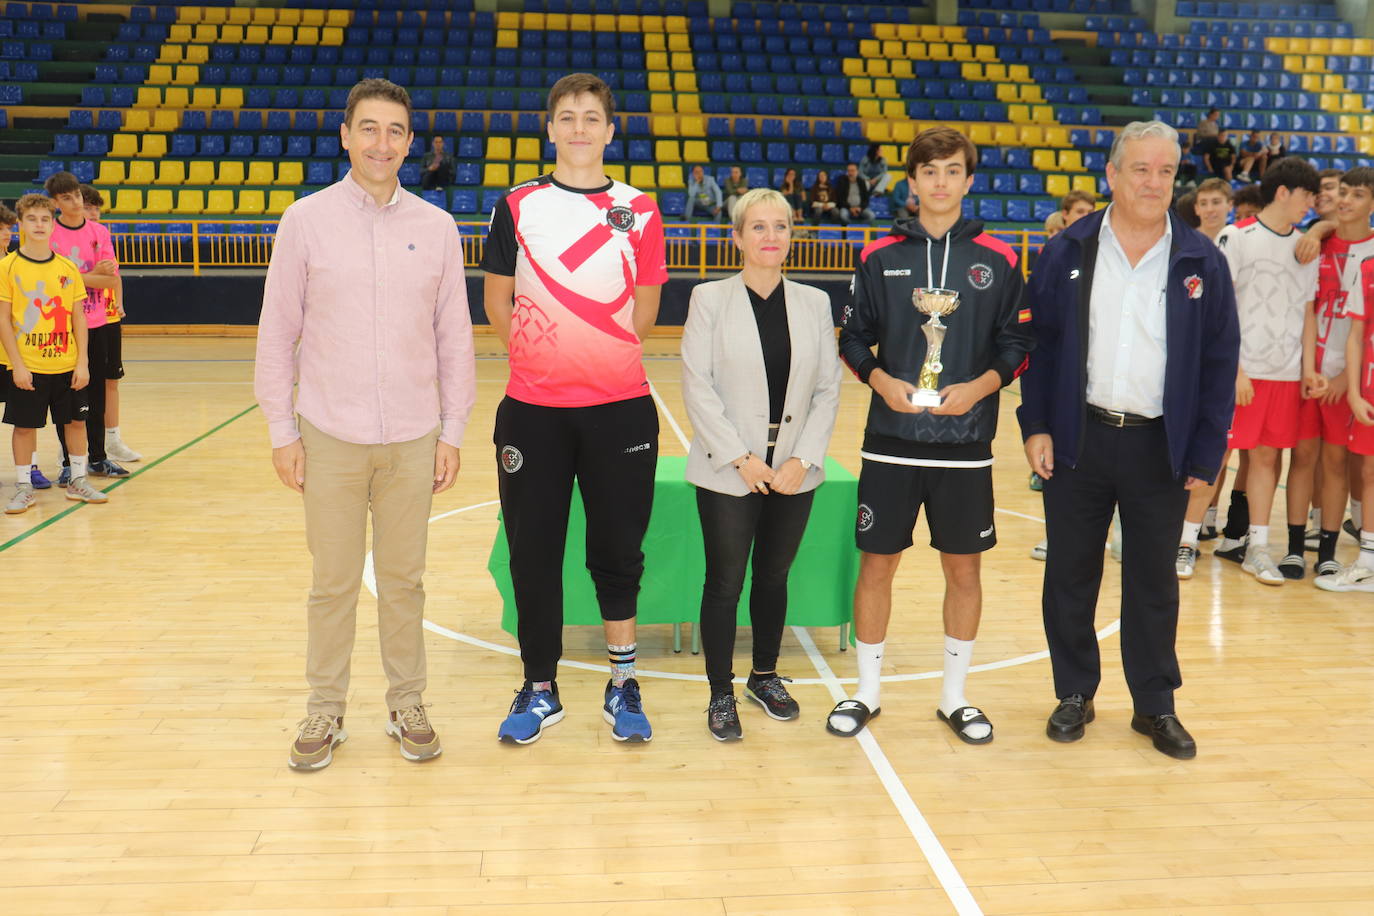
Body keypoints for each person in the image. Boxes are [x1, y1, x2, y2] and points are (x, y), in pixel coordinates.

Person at [255, 78, 477, 771]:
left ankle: (407, 702)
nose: (383, 143)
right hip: (329, 436)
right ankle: (325, 710)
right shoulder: (304, 222)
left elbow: (455, 339)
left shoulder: (437, 228)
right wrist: (282, 433)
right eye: (370, 129)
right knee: (333, 582)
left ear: (411, 144)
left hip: (414, 438)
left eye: (396, 131)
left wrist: (452, 430)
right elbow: (276, 334)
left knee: (406, 581)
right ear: (346, 135)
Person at [1019, 121, 1239, 760]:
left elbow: (1221, 362)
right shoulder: (1067, 252)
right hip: (1078, 439)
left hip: (1159, 448)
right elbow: (1039, 346)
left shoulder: (1201, 259)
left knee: (1153, 581)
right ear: (1111, 175)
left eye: (1165, 171)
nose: (1153, 182)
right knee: (1069, 574)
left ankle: (1154, 703)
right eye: (1140, 169)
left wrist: (1205, 452)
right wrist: (1036, 425)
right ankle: (1074, 692)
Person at [828, 126, 1033, 743]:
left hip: (966, 443)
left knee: (964, 572)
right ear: (912, 181)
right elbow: (851, 337)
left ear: (968, 181)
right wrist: (881, 379)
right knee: (876, 566)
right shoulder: (878, 255)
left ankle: (954, 696)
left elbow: (1018, 344)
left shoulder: (1000, 259)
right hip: (889, 437)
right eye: (929, 171)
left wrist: (979, 387)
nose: (940, 182)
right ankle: (866, 691)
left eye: (952, 171)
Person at [482, 73, 668, 746]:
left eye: (593, 117)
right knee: (534, 552)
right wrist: (537, 358)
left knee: (618, 553)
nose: (581, 128)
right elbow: (497, 299)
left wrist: (598, 358)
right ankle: (540, 686)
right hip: (533, 412)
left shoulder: (639, 209)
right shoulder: (519, 204)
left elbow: (645, 309)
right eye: (568, 117)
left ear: (610, 131)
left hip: (620, 410)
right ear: (551, 128)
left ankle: (622, 684)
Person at [681, 187, 842, 741]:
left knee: (773, 576)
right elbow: (697, 387)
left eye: (781, 227)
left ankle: (765, 676)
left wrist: (804, 457)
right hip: (730, 465)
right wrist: (741, 458)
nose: (771, 237)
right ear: (737, 237)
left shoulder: (815, 303)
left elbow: (827, 390)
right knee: (725, 582)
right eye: (759, 227)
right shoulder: (709, 299)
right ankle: (720, 692)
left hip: (795, 467)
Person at [1207, 157, 1321, 585]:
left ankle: (1257, 546)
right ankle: (1183, 541)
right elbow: (1220, 312)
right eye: (1307, 195)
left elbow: (1308, 314)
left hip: (1286, 375)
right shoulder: (1236, 237)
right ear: (1283, 192)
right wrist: (1234, 370)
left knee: (1268, 460)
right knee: (1217, 455)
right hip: (1243, 373)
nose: (1312, 204)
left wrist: (1308, 370)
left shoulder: (1306, 246)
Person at [1, 193, 109, 514]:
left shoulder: (67, 268)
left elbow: (78, 317)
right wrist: (16, 364)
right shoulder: (7, 267)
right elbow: (4, 320)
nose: (39, 225)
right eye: (31, 219)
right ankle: (23, 486)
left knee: (76, 423)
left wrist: (83, 362)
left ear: (52, 224)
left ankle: (77, 479)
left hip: (67, 363)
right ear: (20, 223)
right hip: (29, 366)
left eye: (45, 219)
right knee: (25, 427)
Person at [1303, 167, 1374, 580]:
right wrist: (1316, 231)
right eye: (1342, 192)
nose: (1345, 200)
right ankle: (1315, 544)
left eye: (1357, 195)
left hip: (1354, 378)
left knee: (1347, 463)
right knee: (1310, 459)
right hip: (1312, 370)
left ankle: (1338, 548)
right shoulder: (1320, 242)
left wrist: (1345, 379)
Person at [44, 171, 127, 485]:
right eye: (67, 198)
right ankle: (68, 461)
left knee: (97, 395)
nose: (76, 202)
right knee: (66, 395)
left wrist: (77, 277)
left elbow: (110, 280)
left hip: (97, 322)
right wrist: (92, 273)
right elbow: (52, 283)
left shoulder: (99, 232)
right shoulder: (50, 234)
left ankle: (98, 457)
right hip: (62, 325)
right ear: (56, 203)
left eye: (77, 195)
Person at [1319, 251, 1374, 590]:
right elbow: (1355, 335)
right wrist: (1354, 392)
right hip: (1369, 390)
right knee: (1369, 471)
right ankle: (1368, 562)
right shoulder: (1368, 267)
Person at [82, 184, 140, 466]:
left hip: (109, 316)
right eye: (87, 207)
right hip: (84, 318)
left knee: (111, 380)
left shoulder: (103, 237)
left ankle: (112, 438)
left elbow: (113, 274)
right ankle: (75, 445)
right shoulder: (72, 242)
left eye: (96, 208)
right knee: (82, 384)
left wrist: (119, 301)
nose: (93, 213)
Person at [833, 162, 875, 226]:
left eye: (852, 171)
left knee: (871, 216)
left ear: (857, 172)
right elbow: (840, 198)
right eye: (849, 171)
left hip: (860, 208)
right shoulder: (842, 181)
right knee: (843, 216)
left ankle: (860, 229)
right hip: (846, 207)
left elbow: (866, 199)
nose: (850, 173)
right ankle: (851, 229)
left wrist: (860, 207)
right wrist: (850, 208)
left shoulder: (862, 182)